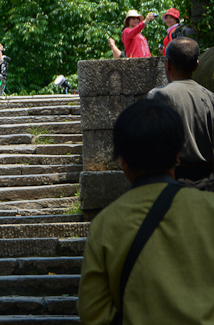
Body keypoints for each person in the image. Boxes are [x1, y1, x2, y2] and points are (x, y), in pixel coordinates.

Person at [77, 99, 214, 324]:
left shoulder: (105, 224)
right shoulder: (209, 209)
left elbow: (92, 312)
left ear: (123, 162)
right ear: (178, 154)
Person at [146, 37, 214, 181]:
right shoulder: (210, 97)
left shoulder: (158, 96)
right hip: (208, 180)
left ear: (168, 64)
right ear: (196, 65)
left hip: (174, 178)